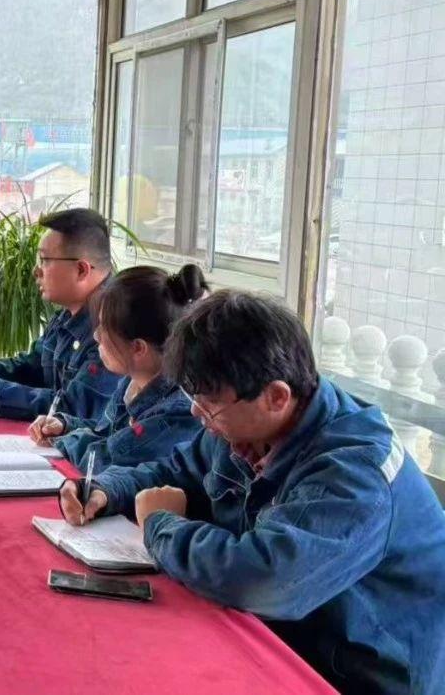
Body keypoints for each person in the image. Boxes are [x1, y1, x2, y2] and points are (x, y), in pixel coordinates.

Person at [59, 290, 445, 694]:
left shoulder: (357, 474)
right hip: (263, 639)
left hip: (348, 676)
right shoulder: (243, 424)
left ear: (276, 396)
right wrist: (107, 489)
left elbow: (262, 578)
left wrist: (160, 523)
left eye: (209, 402)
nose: (196, 413)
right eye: (194, 397)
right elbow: (177, 470)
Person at [0, 207, 122, 422]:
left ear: (81, 270)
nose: (36, 271)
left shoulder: (116, 325)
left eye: (44, 260)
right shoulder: (69, 314)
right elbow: (32, 368)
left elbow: (74, 409)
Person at [30, 264, 206, 471]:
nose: (96, 336)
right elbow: (107, 432)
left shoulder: (178, 412)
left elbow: (106, 457)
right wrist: (65, 425)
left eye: (105, 328)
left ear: (138, 348)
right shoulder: (131, 382)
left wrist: (62, 441)